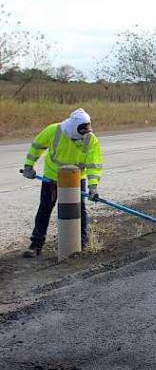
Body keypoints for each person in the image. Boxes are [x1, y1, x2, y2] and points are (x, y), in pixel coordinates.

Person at [20, 108, 102, 258]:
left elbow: (93, 165)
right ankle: (36, 244)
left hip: (76, 179)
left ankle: (81, 244)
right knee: (45, 207)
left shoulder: (91, 139)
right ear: (73, 129)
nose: (85, 134)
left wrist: (93, 187)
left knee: (79, 209)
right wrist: (28, 166)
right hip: (52, 177)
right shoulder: (54, 130)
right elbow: (37, 145)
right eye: (81, 131)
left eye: (87, 130)